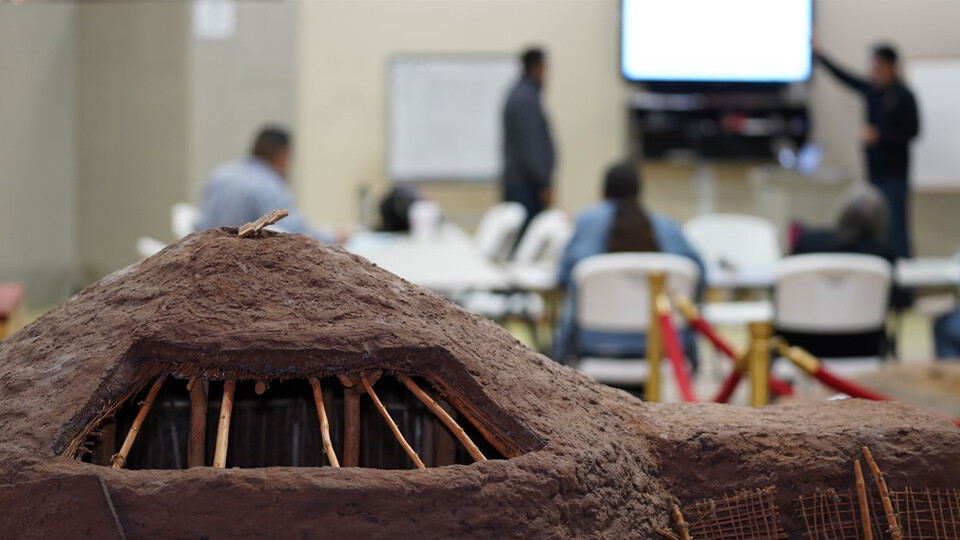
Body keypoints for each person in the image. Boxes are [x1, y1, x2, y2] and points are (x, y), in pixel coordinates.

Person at [552, 162, 705, 365]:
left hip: (596, 343)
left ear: (603, 192)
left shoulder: (587, 222)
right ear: (639, 191)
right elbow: (699, 278)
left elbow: (563, 277)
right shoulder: (669, 227)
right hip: (665, 344)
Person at [814, 43, 920, 259]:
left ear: (890, 66)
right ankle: (879, 273)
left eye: (877, 66)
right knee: (874, 231)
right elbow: (846, 77)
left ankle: (902, 286)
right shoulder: (872, 90)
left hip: (895, 175)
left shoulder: (904, 96)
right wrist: (820, 55)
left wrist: (880, 135)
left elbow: (914, 131)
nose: (873, 71)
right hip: (874, 173)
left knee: (896, 229)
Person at [788, 185, 902, 357]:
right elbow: (897, 303)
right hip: (862, 348)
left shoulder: (807, 242)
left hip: (801, 348)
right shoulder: (883, 256)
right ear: (881, 222)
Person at [199, 126, 329, 241]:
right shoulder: (268, 185)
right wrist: (335, 236)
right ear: (283, 154)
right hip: (244, 261)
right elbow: (296, 233)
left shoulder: (219, 174)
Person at [501, 47, 556, 235]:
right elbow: (531, 147)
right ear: (537, 67)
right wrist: (544, 182)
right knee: (525, 245)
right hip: (526, 186)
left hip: (523, 182)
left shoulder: (521, 94)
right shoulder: (525, 98)